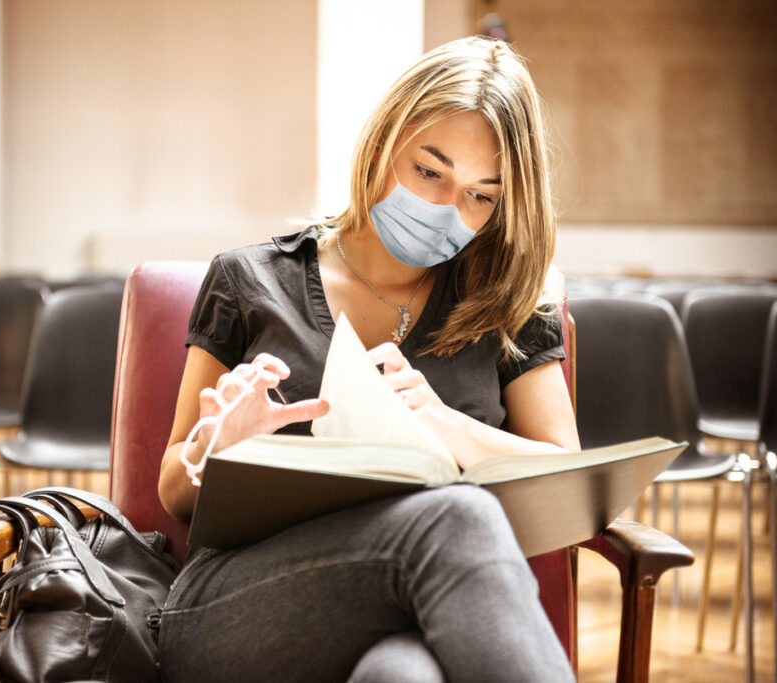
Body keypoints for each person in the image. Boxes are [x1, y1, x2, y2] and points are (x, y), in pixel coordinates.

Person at [157, 36, 579, 682]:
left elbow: (564, 481)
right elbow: (172, 490)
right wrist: (216, 451)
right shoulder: (247, 279)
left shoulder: (509, 305)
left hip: (422, 610)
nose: (446, 208)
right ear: (383, 142)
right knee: (454, 519)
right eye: (429, 171)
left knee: (401, 676)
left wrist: (450, 428)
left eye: (480, 196)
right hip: (240, 606)